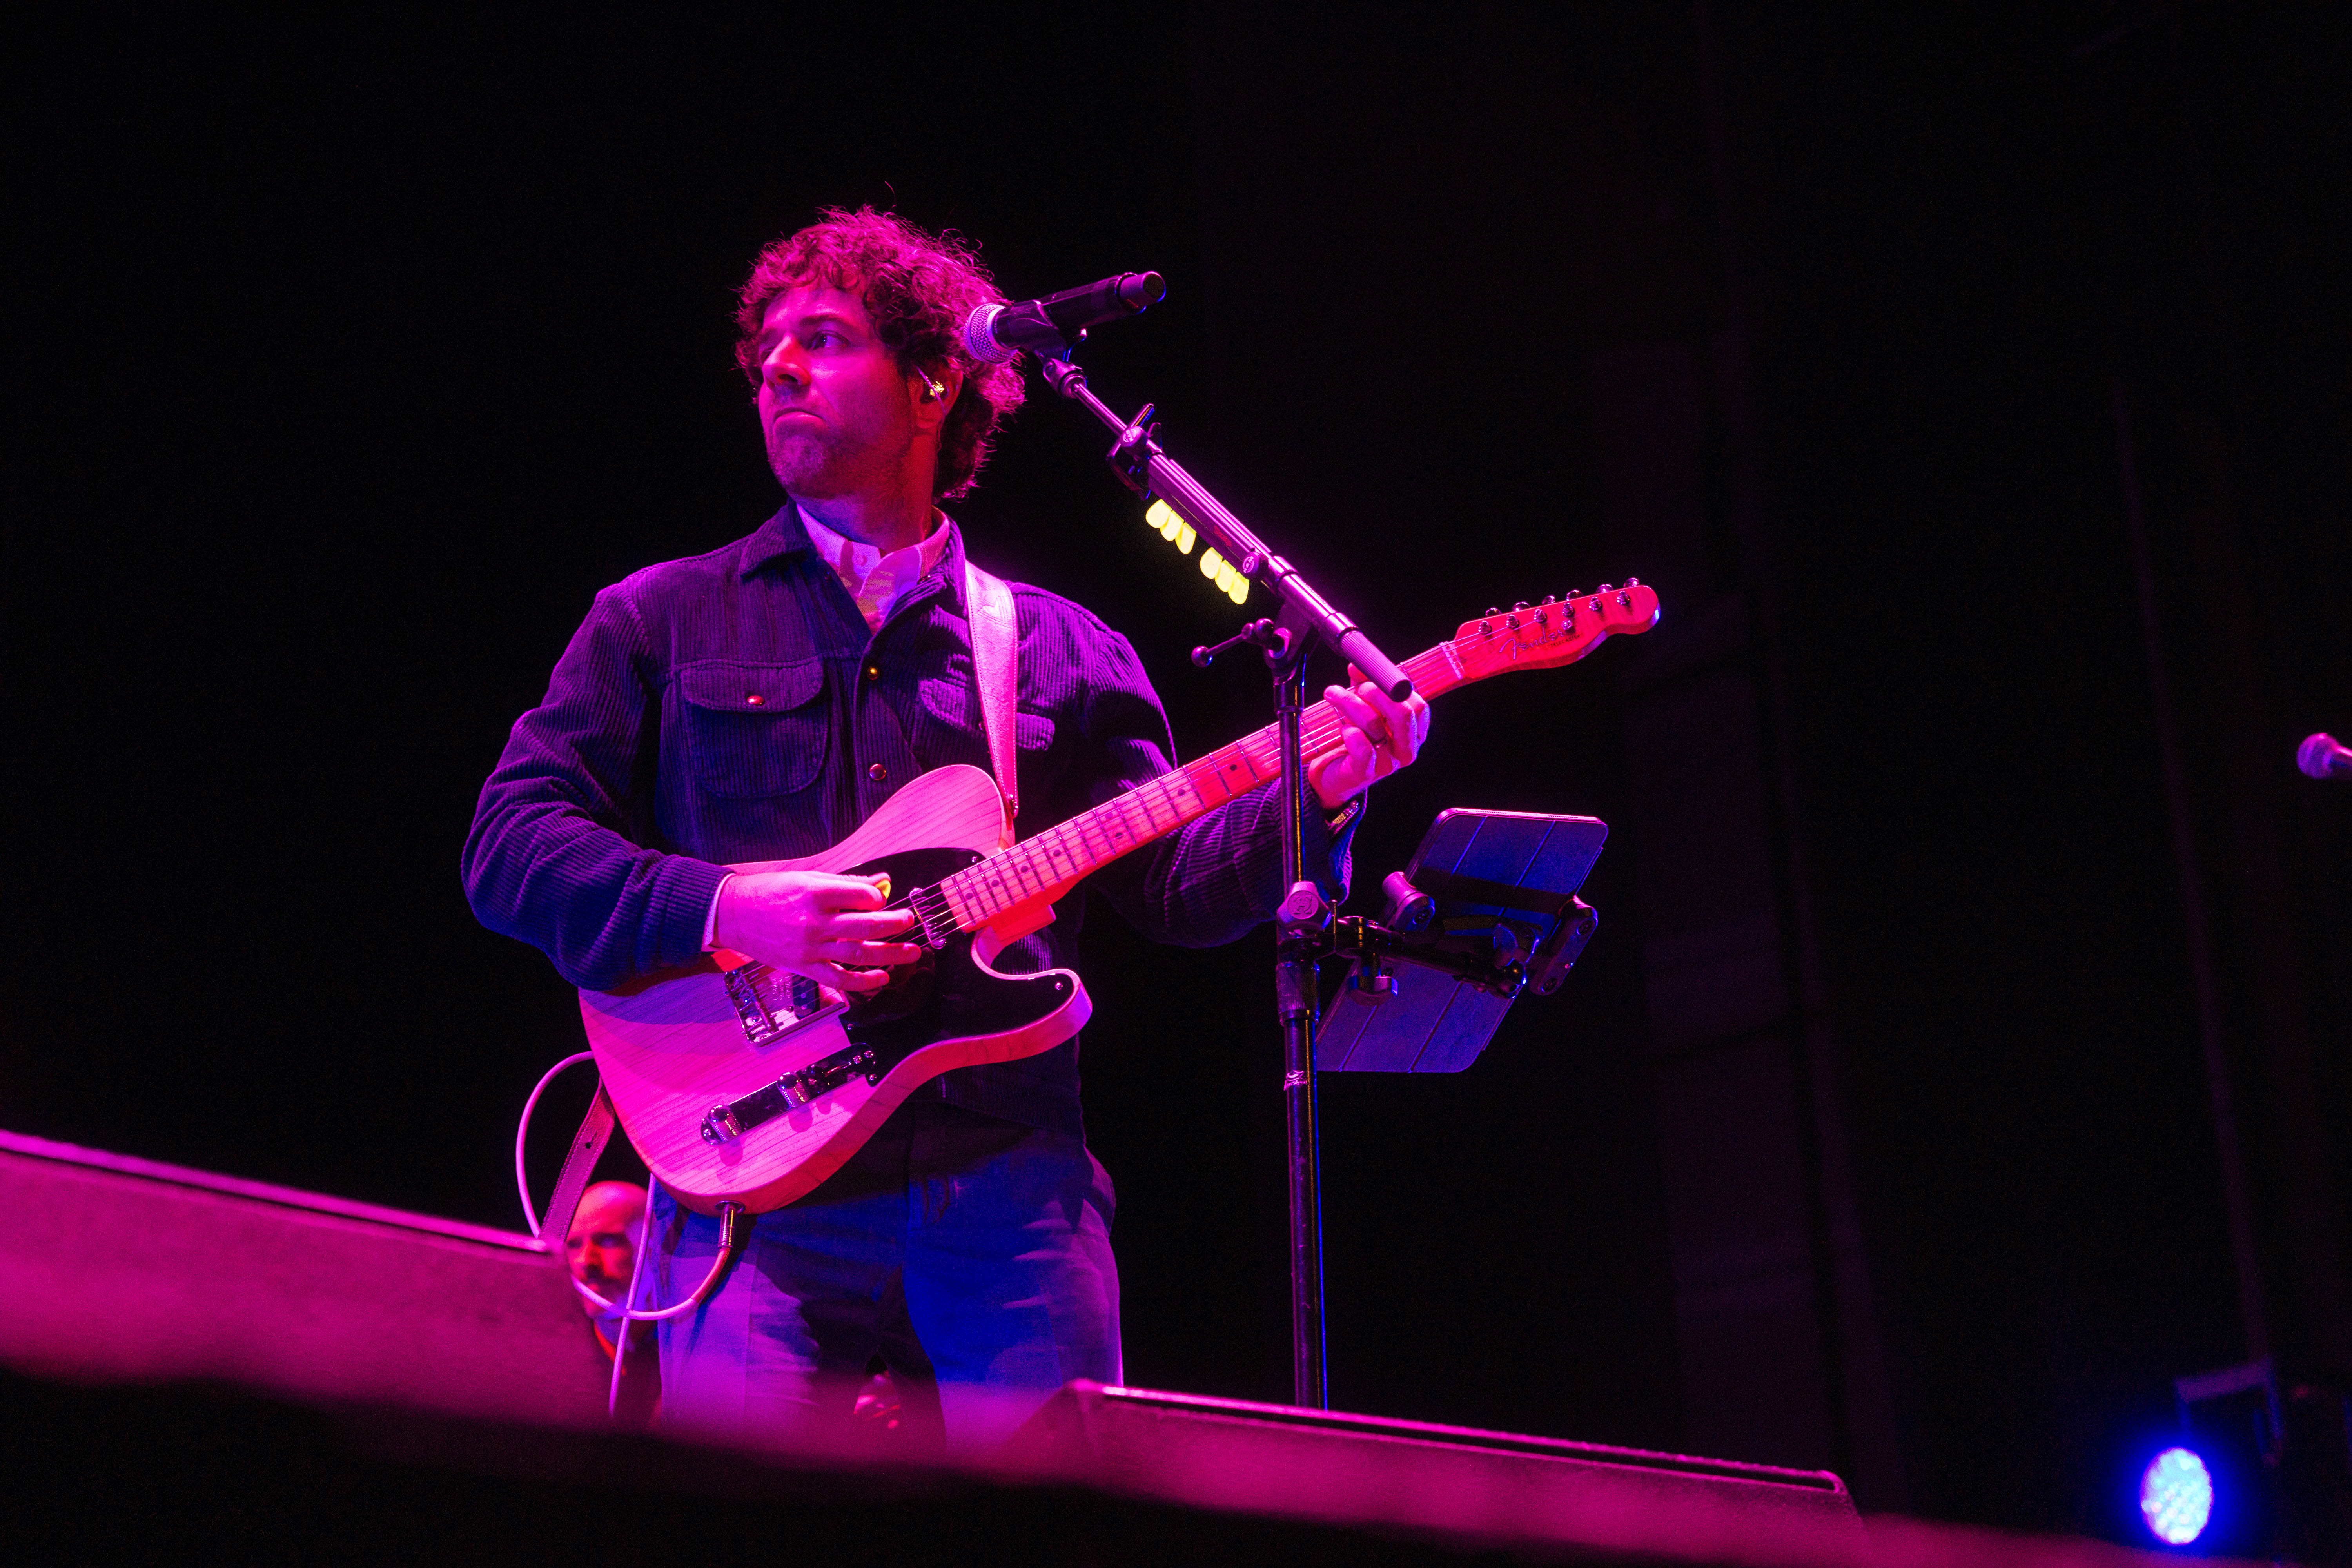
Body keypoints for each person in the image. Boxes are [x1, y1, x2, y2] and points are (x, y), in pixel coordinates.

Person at [464, 207, 1428, 1454]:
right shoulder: (664, 618)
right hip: (753, 1185)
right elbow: (508, 843)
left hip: (1008, 1172)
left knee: (1068, 1522)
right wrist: (726, 908)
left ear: (934, 378)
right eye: (766, 347)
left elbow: (1175, 892)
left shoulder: (1058, 647)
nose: (777, 367)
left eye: (822, 337)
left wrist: (1317, 790)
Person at [564, 1180, 660, 1426]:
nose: (586, 1261)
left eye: (608, 1241)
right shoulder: (554, 1363)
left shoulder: (696, 1359)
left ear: (654, 1248)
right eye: (574, 1245)